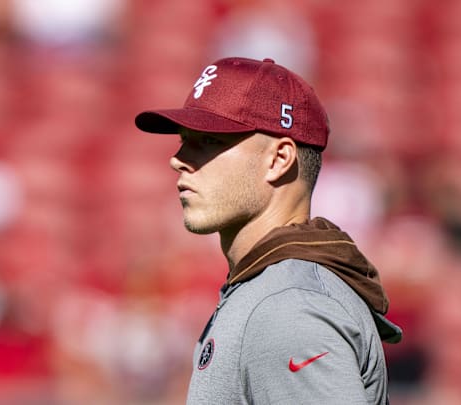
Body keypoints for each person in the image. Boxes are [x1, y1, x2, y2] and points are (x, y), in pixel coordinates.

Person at [135, 57, 401, 404]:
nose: (178, 158)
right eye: (186, 139)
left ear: (278, 160)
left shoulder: (289, 309)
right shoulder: (270, 290)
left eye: (210, 141)